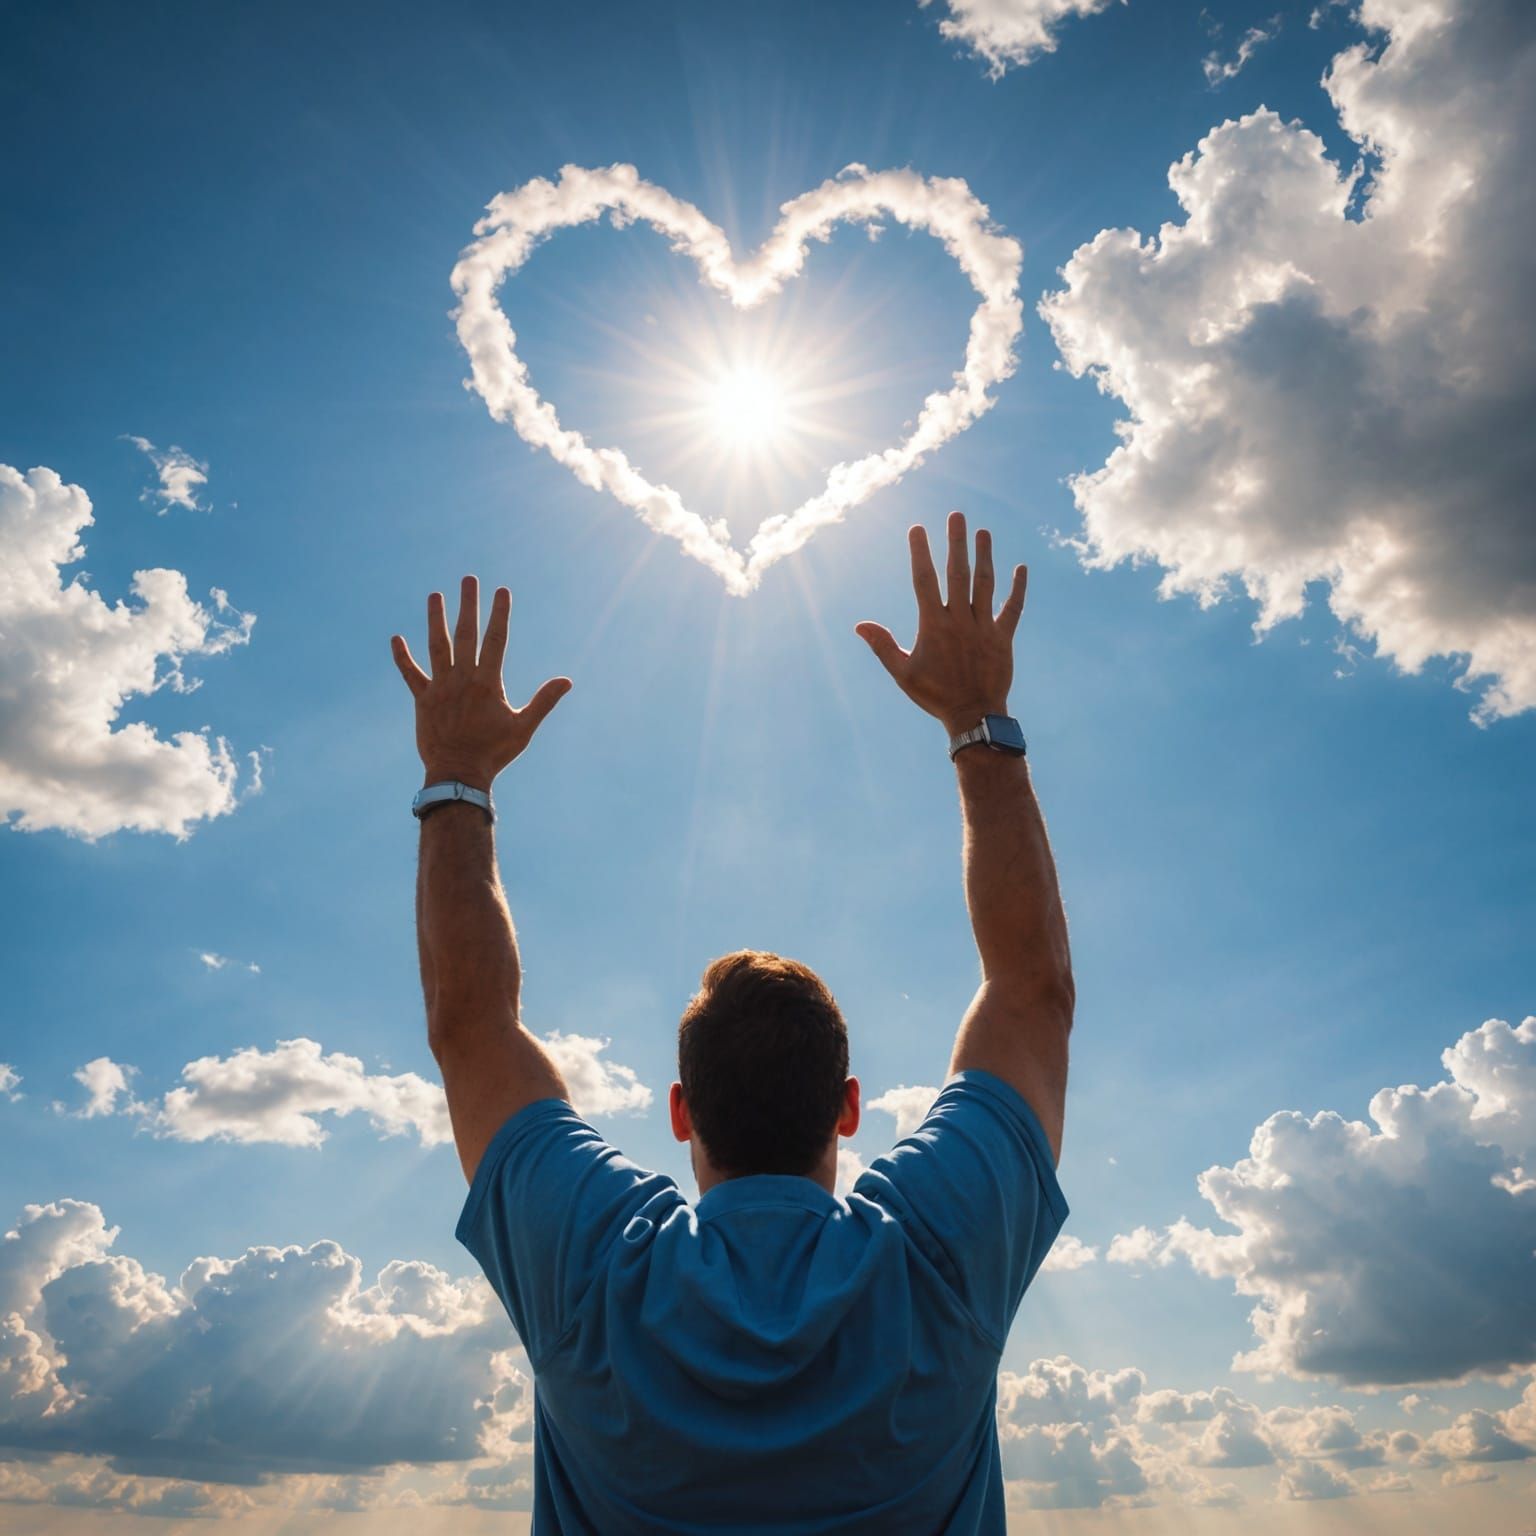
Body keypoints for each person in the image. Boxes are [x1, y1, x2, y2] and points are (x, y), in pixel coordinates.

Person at [390, 511, 1074, 1534]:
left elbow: (470, 1031)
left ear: (680, 1109)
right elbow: (1033, 991)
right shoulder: (932, 1257)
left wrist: (457, 779)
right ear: (848, 1108)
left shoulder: (598, 1269)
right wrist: (980, 716)